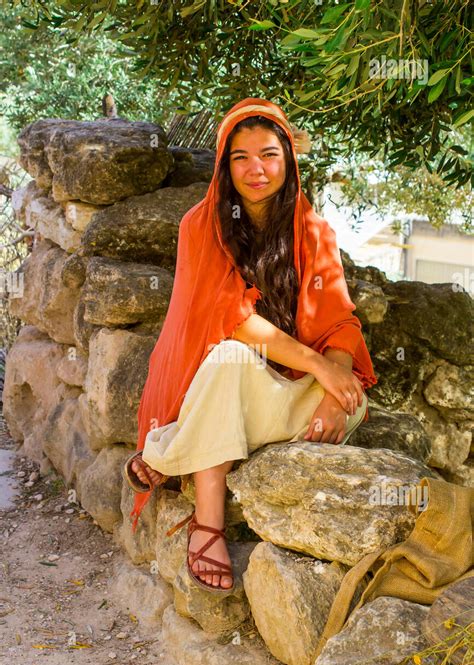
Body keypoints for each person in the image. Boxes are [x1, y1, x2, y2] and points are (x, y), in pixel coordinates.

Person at [125, 98, 377, 592]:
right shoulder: (200, 227)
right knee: (229, 358)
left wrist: (331, 388)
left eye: (269, 155)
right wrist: (320, 368)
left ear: (289, 160)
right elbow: (232, 319)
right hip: (221, 382)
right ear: (224, 164)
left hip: (286, 394)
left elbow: (340, 323)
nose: (255, 170)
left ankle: (166, 453)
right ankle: (208, 522)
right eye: (240, 157)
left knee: (353, 403)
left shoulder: (315, 232)